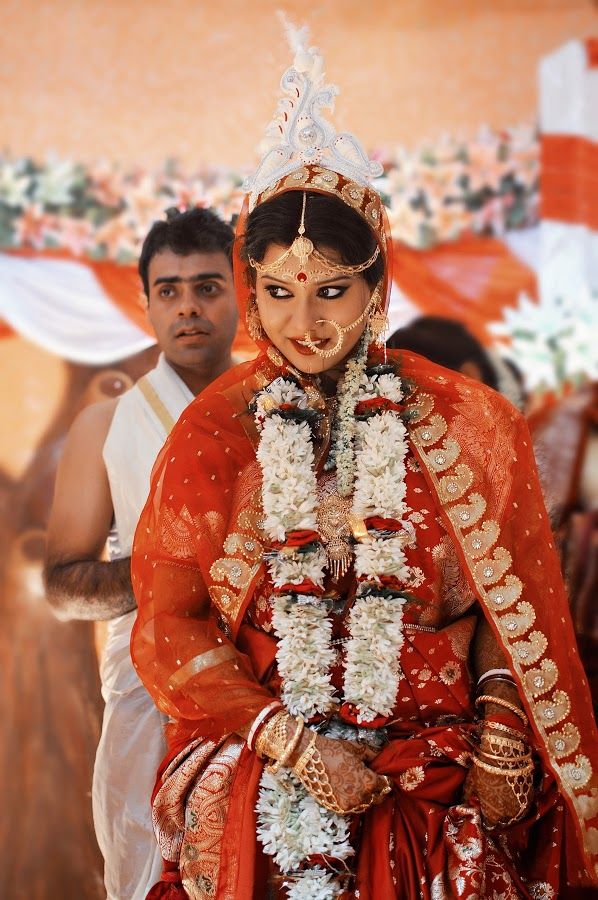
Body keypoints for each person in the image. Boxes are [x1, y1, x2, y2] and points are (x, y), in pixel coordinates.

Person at [131, 29, 598, 899]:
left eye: (331, 290)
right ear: (252, 289)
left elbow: (511, 598)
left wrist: (501, 722)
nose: (303, 323)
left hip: (442, 749)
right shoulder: (214, 433)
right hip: (268, 744)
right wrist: (294, 746)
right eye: (277, 292)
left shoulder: (469, 423)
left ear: (378, 288)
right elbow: (171, 629)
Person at [44, 207, 238, 900]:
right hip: (146, 701)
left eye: (208, 286)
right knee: (148, 876)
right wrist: (178, 571)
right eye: (170, 290)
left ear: (242, 288)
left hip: (267, 688)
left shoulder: (281, 408)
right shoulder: (105, 423)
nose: (189, 306)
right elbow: (64, 586)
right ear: (147, 303)